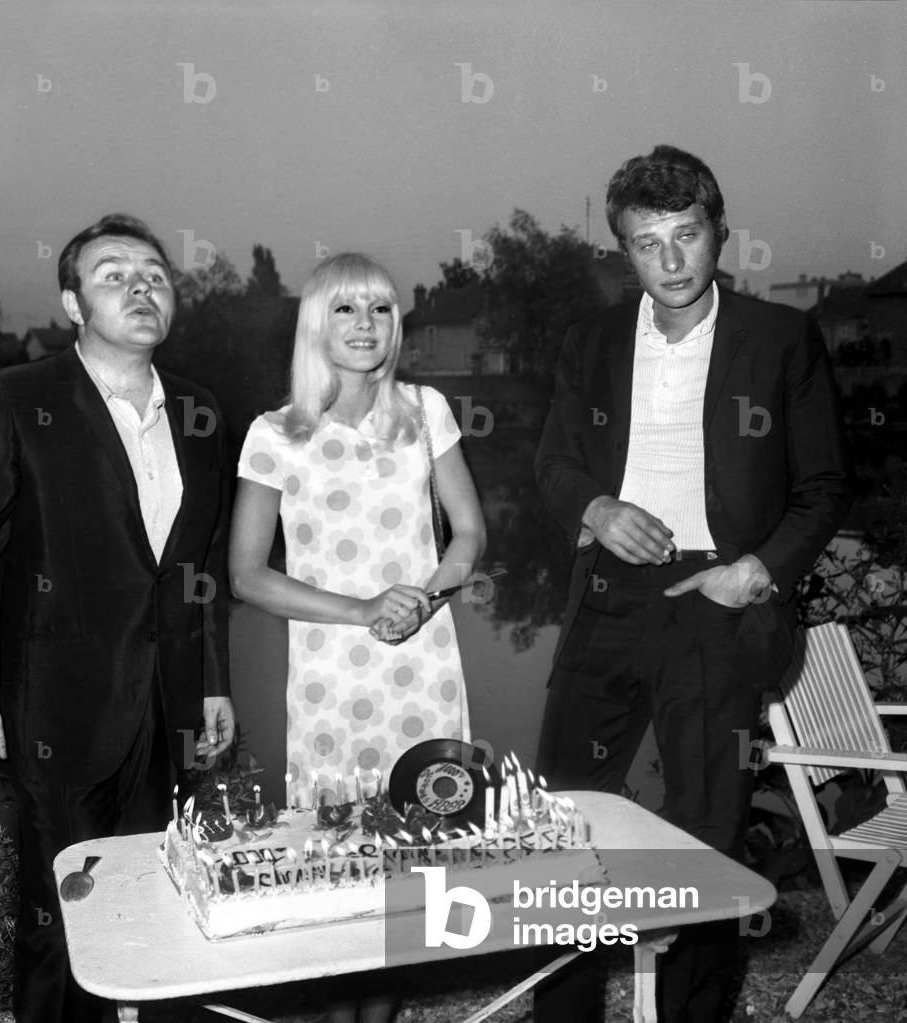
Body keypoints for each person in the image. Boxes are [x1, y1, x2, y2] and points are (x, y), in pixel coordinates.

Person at [533, 146, 853, 1021]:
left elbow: (822, 486)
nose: (669, 261)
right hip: (608, 601)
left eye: (685, 236)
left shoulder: (781, 339)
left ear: (719, 233)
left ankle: (691, 1012)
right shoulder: (590, 342)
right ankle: (561, 1012)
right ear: (623, 252)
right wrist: (597, 509)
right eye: (646, 243)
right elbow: (553, 462)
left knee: (706, 832)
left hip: (719, 603)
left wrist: (754, 570)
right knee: (566, 817)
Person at [0, 213, 235, 1023]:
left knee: (169, 910)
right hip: (54, 709)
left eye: (154, 274)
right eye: (113, 274)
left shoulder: (203, 415)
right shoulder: (13, 397)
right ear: (72, 303)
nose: (141, 286)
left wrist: (211, 683)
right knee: (64, 918)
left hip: (169, 711)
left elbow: (195, 569)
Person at [230, 252, 486, 1023]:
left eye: (378, 309)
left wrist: (425, 596)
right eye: (344, 309)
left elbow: (469, 532)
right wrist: (359, 608)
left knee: (415, 865)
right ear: (316, 324)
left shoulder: (426, 410)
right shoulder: (275, 432)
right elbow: (245, 574)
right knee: (336, 867)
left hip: (422, 667)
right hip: (330, 677)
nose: (365, 325)